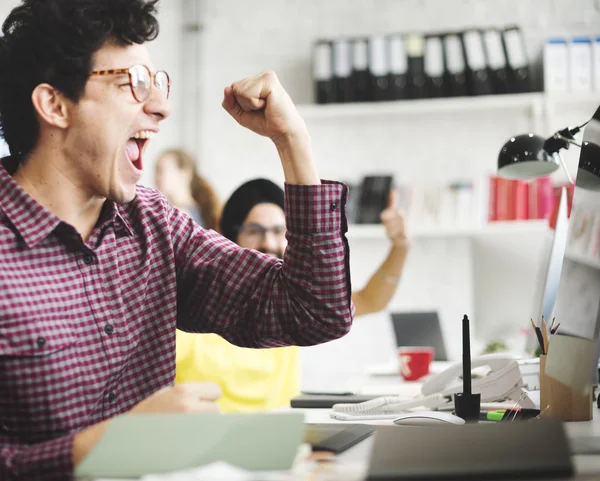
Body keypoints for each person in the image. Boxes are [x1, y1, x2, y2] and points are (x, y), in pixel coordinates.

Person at [0, 1, 353, 479]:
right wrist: (102, 447)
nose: (162, 107)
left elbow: (315, 311)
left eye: (158, 82)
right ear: (55, 105)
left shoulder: (154, 225)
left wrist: (293, 142)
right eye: (134, 84)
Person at [176, 178, 409, 412]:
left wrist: (400, 246)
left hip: (282, 439)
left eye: (279, 231)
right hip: (211, 442)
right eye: (254, 231)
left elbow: (370, 301)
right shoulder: (196, 304)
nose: (269, 243)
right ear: (230, 236)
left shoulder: (292, 301)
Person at [154, 148, 221, 230]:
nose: (156, 177)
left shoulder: (180, 214)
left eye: (160, 170)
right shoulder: (197, 210)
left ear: (185, 173)